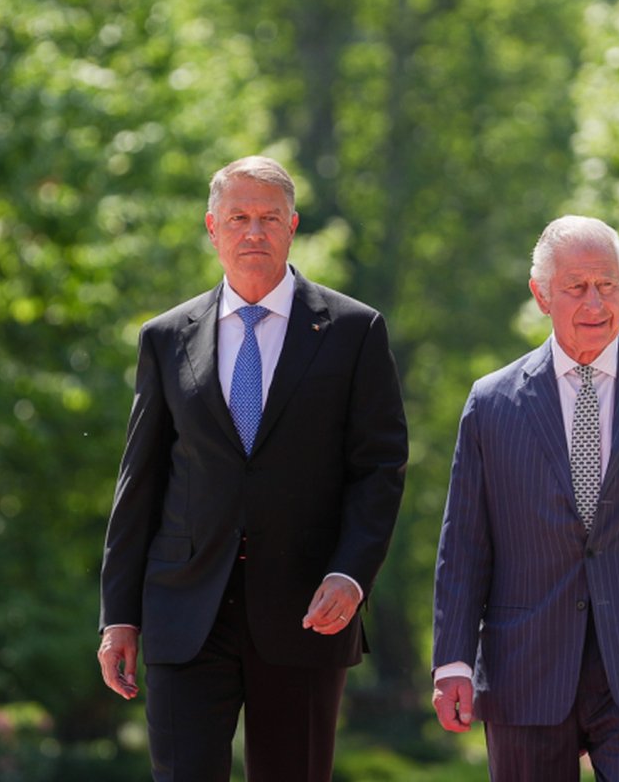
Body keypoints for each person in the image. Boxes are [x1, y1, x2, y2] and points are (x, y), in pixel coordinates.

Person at [95, 155, 408, 782]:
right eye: (239, 218)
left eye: (269, 218)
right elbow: (141, 482)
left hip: (307, 608)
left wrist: (351, 573)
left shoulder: (353, 330)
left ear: (293, 226)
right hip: (185, 608)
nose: (254, 232)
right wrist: (119, 616)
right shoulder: (165, 337)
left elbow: (379, 467)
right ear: (213, 228)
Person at [431, 215, 619, 780]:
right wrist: (452, 660)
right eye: (576, 287)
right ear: (541, 295)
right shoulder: (491, 403)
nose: (595, 302)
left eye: (607, 285)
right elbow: (464, 545)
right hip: (524, 667)